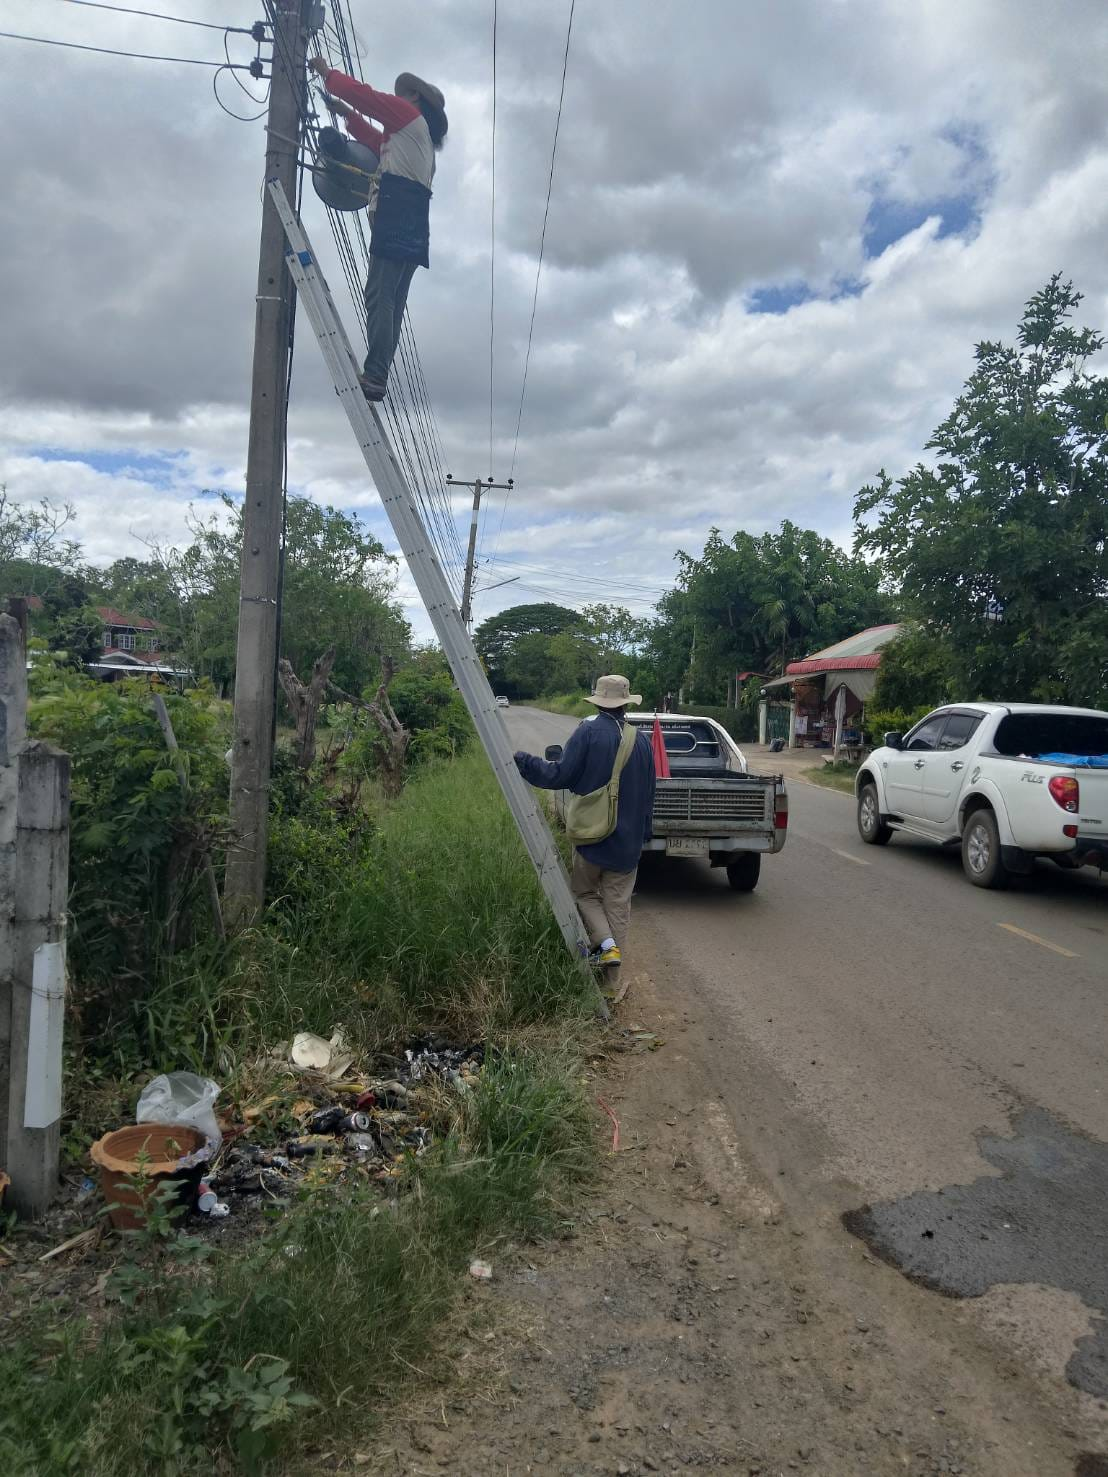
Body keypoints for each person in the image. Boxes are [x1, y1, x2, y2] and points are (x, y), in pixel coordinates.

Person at [308, 58, 447, 401]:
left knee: (379, 294)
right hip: (414, 216)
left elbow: (365, 96)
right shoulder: (418, 139)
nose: (398, 97)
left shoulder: (407, 116)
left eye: (404, 93)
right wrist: (345, 114)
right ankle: (378, 373)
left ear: (414, 97)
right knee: (392, 301)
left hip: (397, 208)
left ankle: (375, 375)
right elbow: (374, 140)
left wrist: (328, 75)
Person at [514, 675, 656, 996]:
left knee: (584, 894)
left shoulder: (588, 732)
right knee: (618, 905)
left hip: (592, 837)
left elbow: (560, 775)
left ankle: (606, 946)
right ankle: (611, 984)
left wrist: (523, 761)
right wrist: (643, 835)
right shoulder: (642, 741)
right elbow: (650, 794)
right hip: (628, 842)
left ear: (598, 701)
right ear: (625, 702)